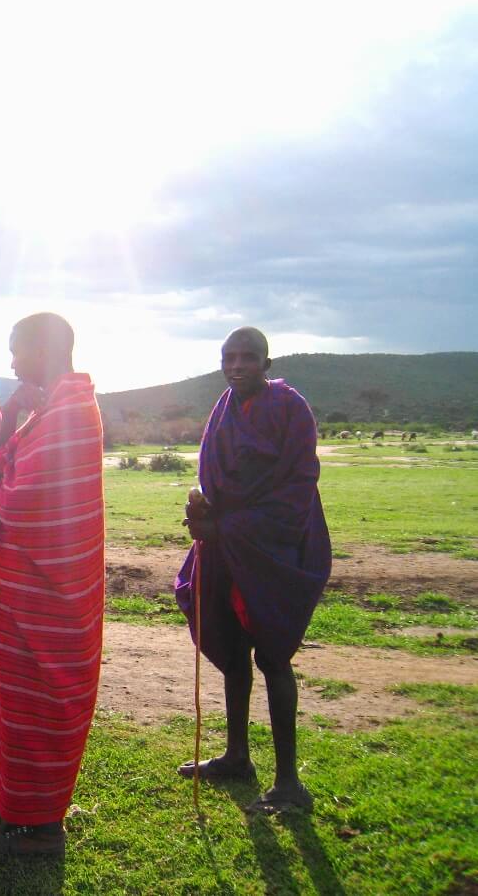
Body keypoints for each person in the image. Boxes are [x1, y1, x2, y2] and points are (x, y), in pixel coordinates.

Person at [0, 313, 105, 856]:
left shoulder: (72, 413)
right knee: (2, 687)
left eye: (16, 351)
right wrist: (10, 416)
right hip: (18, 587)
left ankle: (39, 828)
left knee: (34, 697)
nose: (11, 362)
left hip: (45, 595)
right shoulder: (50, 409)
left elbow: (16, 497)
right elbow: (3, 471)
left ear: (43, 349)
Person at [175, 326, 331, 813]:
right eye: (228, 357)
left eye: (247, 358)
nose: (236, 365)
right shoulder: (223, 408)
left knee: (273, 656)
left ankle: (289, 783)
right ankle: (237, 755)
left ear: (266, 362)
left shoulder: (290, 409)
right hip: (226, 546)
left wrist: (231, 528)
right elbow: (215, 475)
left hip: (275, 547)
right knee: (235, 646)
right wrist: (203, 512)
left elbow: (299, 484)